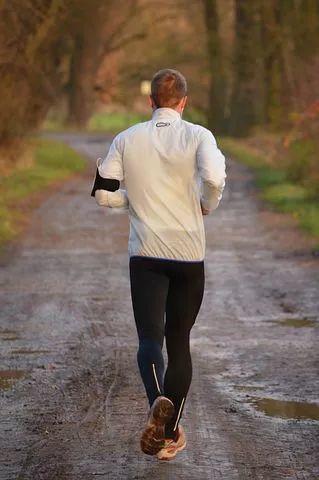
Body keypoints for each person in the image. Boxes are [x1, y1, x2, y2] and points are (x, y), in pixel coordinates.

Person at [90, 68, 227, 461]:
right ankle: (167, 433)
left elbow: (102, 194)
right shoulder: (200, 135)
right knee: (179, 341)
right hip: (188, 254)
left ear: (150, 101)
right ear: (183, 102)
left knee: (149, 339)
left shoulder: (127, 138)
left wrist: (132, 202)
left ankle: (157, 404)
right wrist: (207, 204)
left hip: (146, 254)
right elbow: (215, 178)